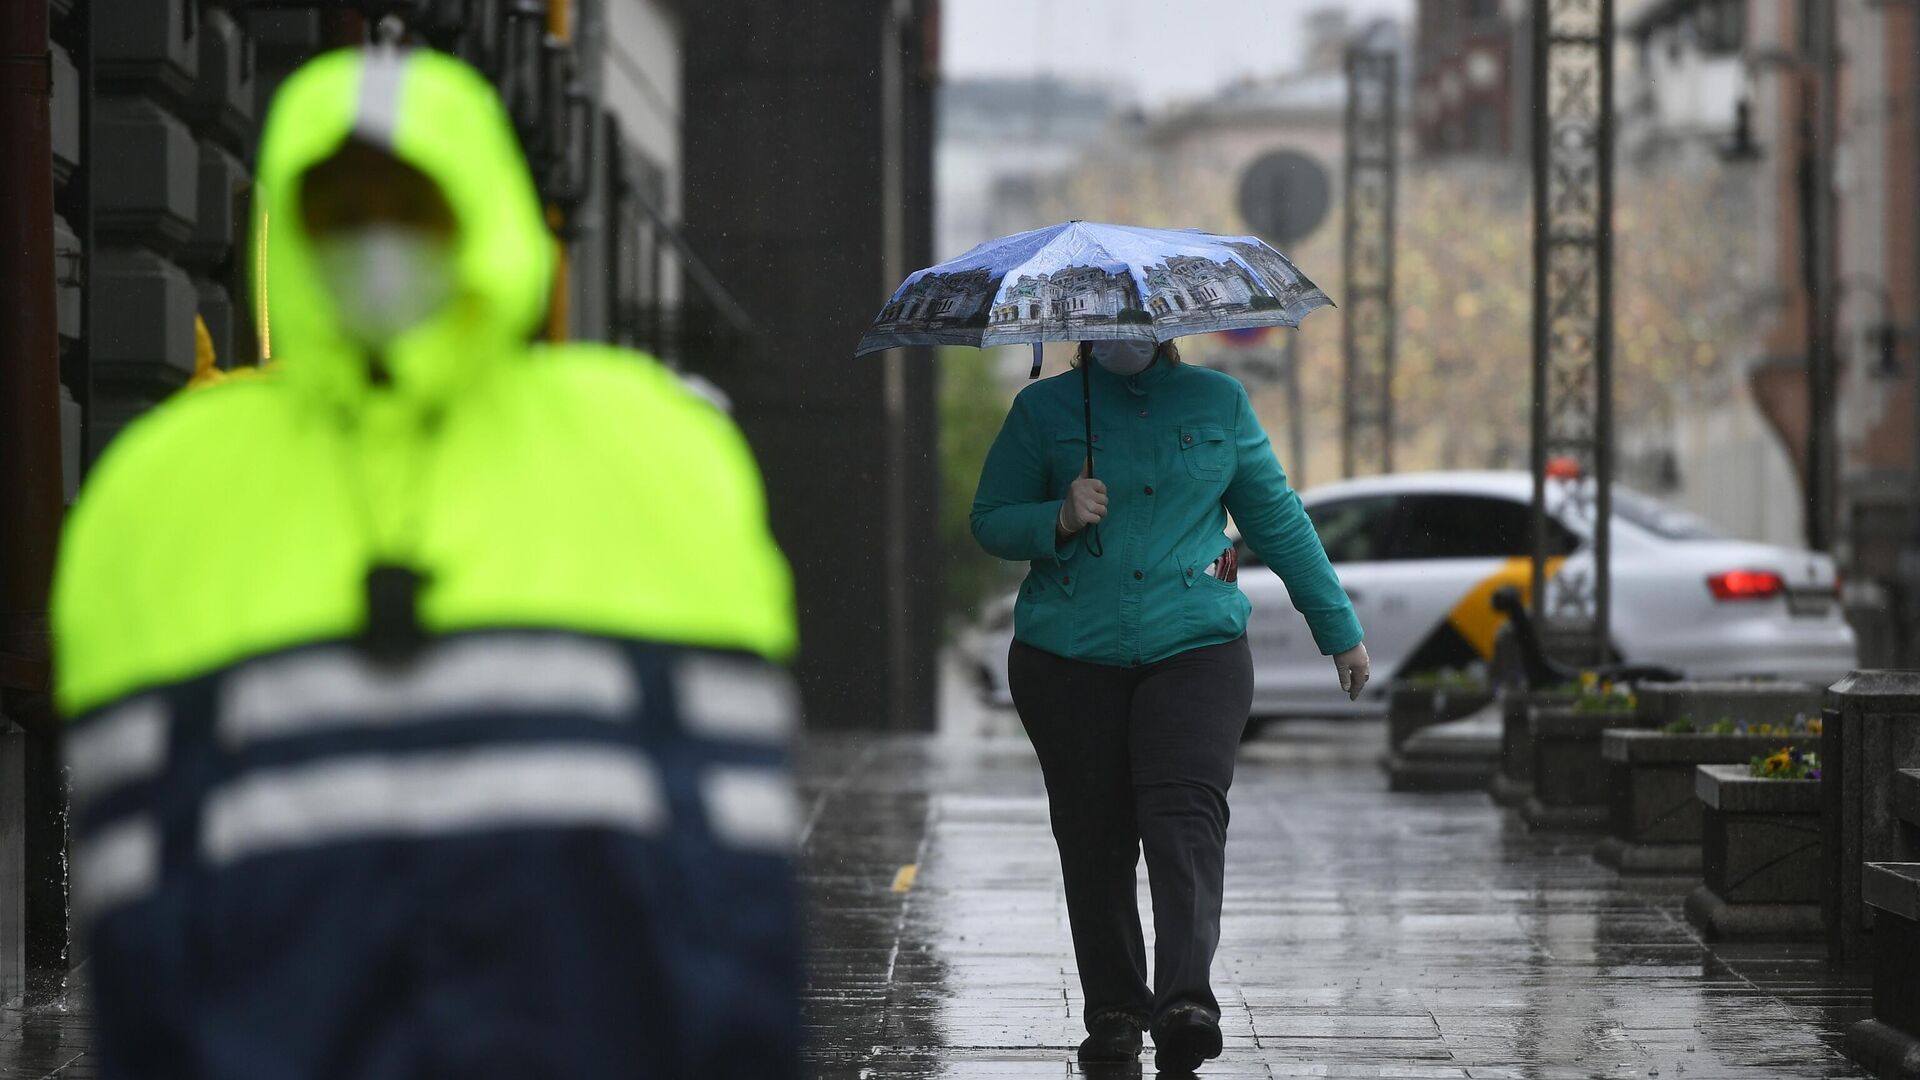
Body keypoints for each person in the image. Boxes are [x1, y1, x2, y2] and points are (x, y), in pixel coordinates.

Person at [51, 46, 800, 1079]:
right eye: (341, 208)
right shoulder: (167, 498)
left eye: (413, 206)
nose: (378, 240)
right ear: (290, 229)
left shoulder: (647, 459)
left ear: (481, 215)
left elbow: (732, 860)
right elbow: (135, 890)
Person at [970, 338, 1369, 1073]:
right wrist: (1055, 517)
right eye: (1108, 322)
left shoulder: (1218, 402)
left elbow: (1276, 518)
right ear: (1085, 329)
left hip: (1196, 648)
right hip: (1066, 657)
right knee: (1095, 836)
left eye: (1137, 319)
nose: (1123, 335)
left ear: (1162, 325)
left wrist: (1337, 629)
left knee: (1184, 815)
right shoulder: (1044, 408)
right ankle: (1117, 1012)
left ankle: (1186, 1001)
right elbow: (991, 518)